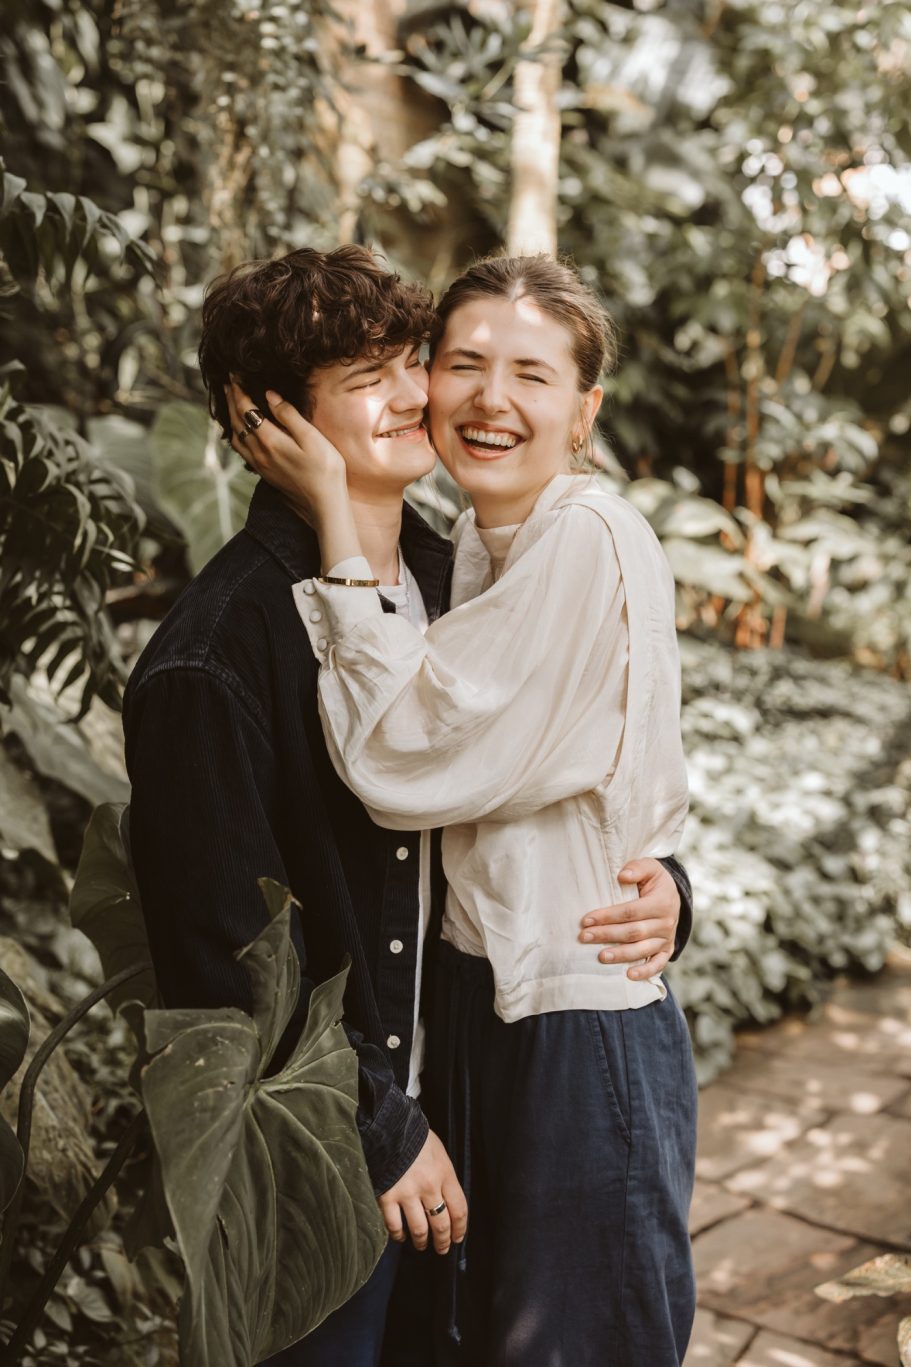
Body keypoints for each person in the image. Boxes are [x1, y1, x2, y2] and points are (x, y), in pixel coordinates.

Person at [125, 244, 693, 1367]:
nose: (413, 394)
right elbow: (233, 959)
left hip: (484, 1090)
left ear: (583, 408)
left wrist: (667, 880)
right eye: (362, 374)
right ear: (262, 418)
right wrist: (383, 1129)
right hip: (349, 1147)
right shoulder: (211, 658)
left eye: (405, 361)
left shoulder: (468, 573)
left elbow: (587, 754)